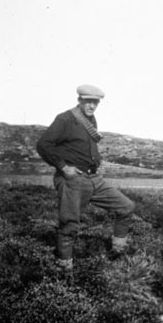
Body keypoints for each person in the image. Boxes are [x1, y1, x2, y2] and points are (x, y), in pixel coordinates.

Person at [36, 84, 135, 269]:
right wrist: (64, 167)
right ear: (79, 100)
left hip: (93, 178)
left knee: (126, 207)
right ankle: (64, 268)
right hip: (74, 179)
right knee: (69, 224)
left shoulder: (90, 119)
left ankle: (118, 252)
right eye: (88, 101)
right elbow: (43, 145)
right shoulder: (65, 119)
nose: (92, 106)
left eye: (95, 102)